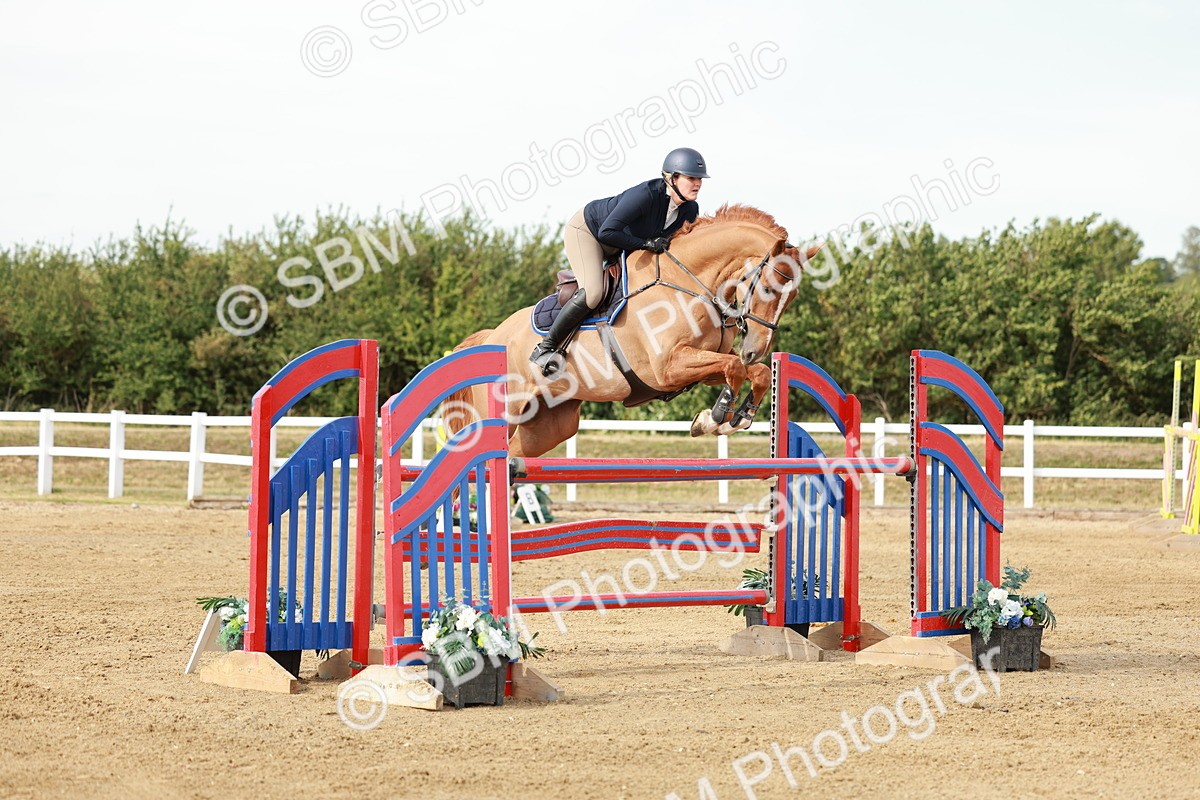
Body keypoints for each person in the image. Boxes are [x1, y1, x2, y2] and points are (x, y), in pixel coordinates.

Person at [529, 147, 709, 376]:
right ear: (672, 178)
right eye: (691, 178)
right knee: (593, 293)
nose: (697, 184)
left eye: (700, 179)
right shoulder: (646, 195)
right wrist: (645, 244)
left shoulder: (690, 210)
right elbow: (607, 232)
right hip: (588, 232)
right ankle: (546, 347)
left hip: (622, 243)